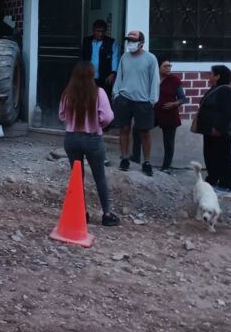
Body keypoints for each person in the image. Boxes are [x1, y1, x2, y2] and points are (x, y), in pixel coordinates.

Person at [58, 61, 120, 227]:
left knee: (77, 178)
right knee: (99, 177)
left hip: (71, 138)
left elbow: (61, 116)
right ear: (92, 75)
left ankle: (80, 213)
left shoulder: (67, 93)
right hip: (92, 138)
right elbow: (107, 117)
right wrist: (98, 123)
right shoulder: (98, 93)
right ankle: (106, 214)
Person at [112, 30, 158, 176]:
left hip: (143, 100)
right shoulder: (125, 57)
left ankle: (147, 161)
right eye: (129, 41)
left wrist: (152, 100)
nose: (130, 44)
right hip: (124, 98)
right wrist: (116, 93)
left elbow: (154, 80)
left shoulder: (150, 58)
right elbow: (120, 75)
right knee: (124, 129)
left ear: (141, 43)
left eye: (133, 41)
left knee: (144, 132)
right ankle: (125, 158)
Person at [130, 60, 187, 173]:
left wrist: (174, 104)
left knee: (169, 141)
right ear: (158, 67)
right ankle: (136, 159)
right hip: (153, 112)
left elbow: (183, 98)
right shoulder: (151, 79)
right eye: (165, 66)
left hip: (169, 114)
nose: (168, 68)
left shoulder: (174, 80)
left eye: (170, 66)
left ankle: (166, 166)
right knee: (137, 130)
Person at [194, 65, 231, 192]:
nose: (209, 76)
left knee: (223, 158)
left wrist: (218, 128)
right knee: (210, 157)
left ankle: (227, 183)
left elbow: (227, 112)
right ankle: (212, 180)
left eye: (211, 74)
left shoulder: (225, 91)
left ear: (218, 76)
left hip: (221, 133)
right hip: (210, 131)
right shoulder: (216, 89)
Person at [81, 19, 118, 98]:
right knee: (88, 98)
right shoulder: (86, 41)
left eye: (102, 31)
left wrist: (113, 73)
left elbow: (115, 58)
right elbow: (82, 57)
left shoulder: (111, 42)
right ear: (93, 30)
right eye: (98, 31)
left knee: (104, 98)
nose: (100, 34)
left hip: (105, 78)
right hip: (88, 76)